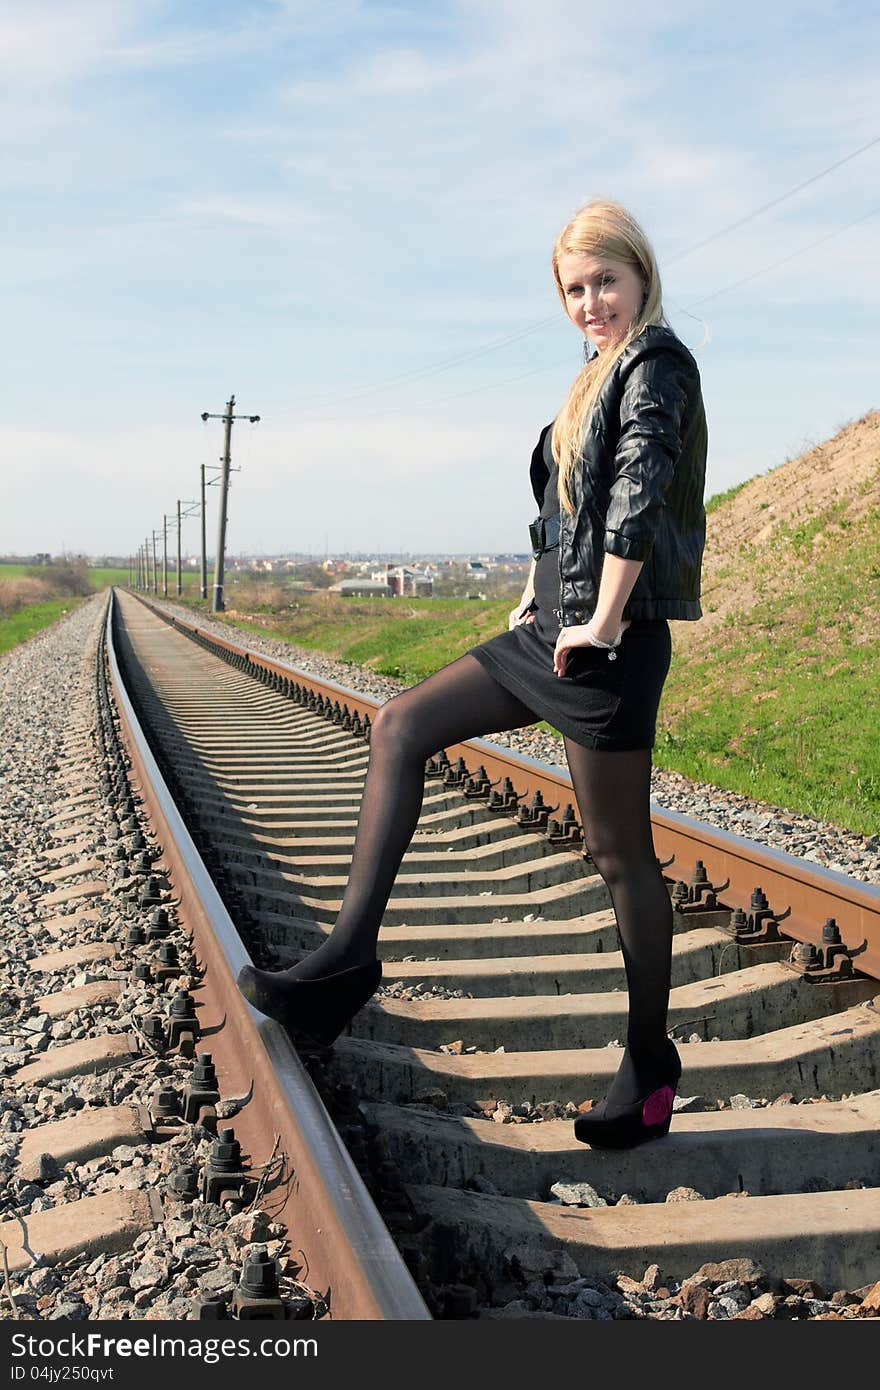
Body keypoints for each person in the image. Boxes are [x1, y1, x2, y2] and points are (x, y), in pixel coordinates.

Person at [237, 198, 708, 1151]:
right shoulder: (595, 373)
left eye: (605, 281)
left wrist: (602, 619)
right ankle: (345, 961)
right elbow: (565, 516)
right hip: (555, 630)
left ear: (643, 275)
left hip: (606, 644)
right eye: (574, 289)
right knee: (400, 725)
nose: (591, 301)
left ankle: (649, 1060)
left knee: (620, 855)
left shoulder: (657, 365)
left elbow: (636, 497)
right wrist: (542, 600)